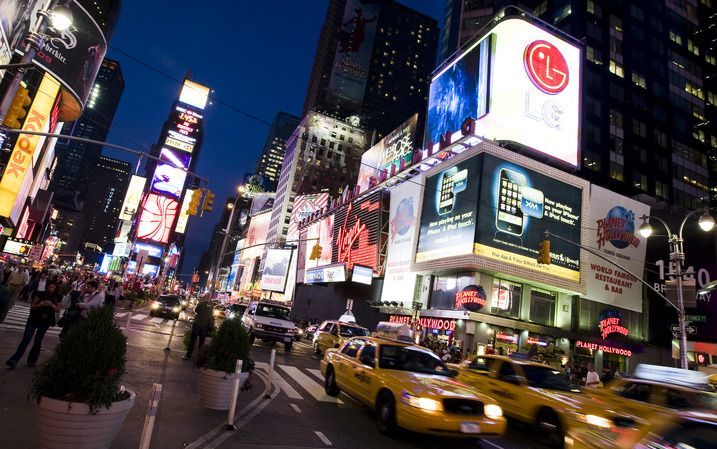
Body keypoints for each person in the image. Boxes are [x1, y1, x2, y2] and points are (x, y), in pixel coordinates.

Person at [6, 282, 61, 368]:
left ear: (55, 288)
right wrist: (41, 304)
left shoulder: (57, 297)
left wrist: (51, 305)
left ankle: (32, 360)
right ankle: (14, 359)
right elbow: (33, 306)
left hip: (45, 322)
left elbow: (58, 309)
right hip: (34, 319)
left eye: (53, 287)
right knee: (26, 339)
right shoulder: (40, 293)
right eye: (49, 286)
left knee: (38, 341)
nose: (51, 288)